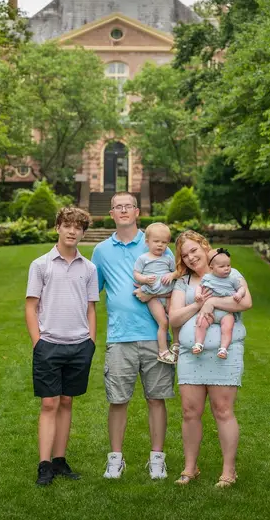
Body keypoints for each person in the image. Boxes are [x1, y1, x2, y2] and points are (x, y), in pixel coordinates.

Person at [91, 193, 175, 480]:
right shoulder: (101, 251)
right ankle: (115, 460)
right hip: (120, 336)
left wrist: (152, 294)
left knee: (156, 398)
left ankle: (157, 460)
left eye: (128, 206)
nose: (123, 210)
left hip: (155, 336)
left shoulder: (157, 242)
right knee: (118, 400)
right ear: (111, 213)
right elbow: (93, 292)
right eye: (118, 207)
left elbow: (174, 287)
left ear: (137, 212)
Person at [169, 230, 252, 488]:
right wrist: (198, 305)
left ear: (205, 247)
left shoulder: (228, 272)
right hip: (190, 355)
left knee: (223, 411)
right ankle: (190, 468)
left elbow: (245, 302)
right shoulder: (183, 283)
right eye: (185, 254)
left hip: (223, 354)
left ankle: (229, 472)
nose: (192, 257)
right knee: (189, 412)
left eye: (194, 250)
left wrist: (213, 301)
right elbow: (174, 318)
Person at [25, 207, 99, 486]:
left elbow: (91, 308)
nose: (72, 231)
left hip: (80, 345)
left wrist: (90, 342)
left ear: (82, 233)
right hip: (49, 345)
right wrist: (38, 343)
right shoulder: (41, 265)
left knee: (67, 402)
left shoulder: (89, 268)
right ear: (57, 227)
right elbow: (31, 307)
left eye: (78, 228)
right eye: (67, 225)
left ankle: (59, 461)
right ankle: (44, 465)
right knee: (49, 403)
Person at [133, 222, 179, 365]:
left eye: (164, 242)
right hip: (152, 296)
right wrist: (145, 279)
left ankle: (176, 344)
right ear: (147, 242)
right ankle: (163, 351)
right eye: (156, 241)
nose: (160, 245)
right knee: (163, 322)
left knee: (174, 318)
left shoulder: (168, 258)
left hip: (168, 294)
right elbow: (136, 274)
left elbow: (177, 271)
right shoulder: (143, 259)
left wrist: (172, 276)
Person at [192, 248, 247, 359]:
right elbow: (200, 286)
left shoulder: (232, 279)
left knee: (227, 328)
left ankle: (223, 349)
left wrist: (239, 294)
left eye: (228, 265)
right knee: (201, 323)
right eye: (222, 267)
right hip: (210, 311)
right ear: (212, 268)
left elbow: (242, 288)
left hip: (226, 312)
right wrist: (198, 294)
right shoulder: (207, 278)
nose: (226, 269)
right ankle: (198, 343)